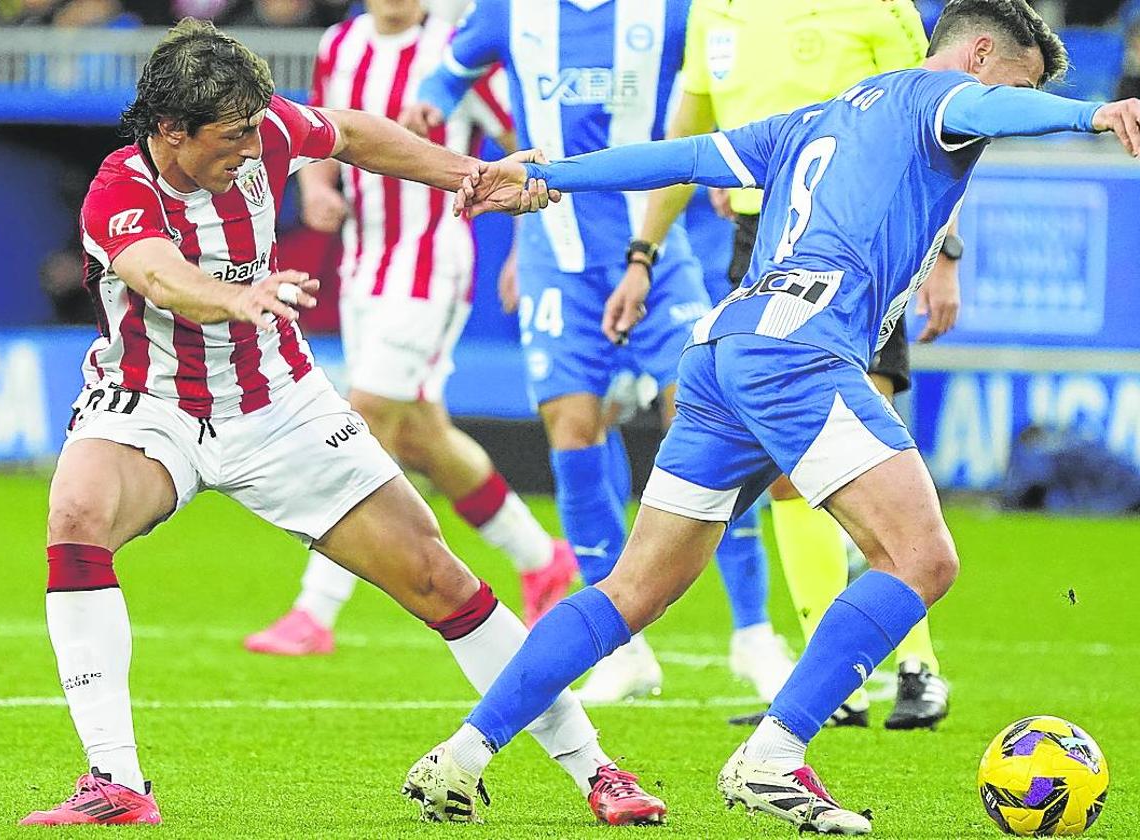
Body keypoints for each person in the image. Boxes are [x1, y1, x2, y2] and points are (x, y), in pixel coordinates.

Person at [404, 0, 1140, 830]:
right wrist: (1089, 112)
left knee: (633, 590)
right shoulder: (939, 98)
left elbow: (679, 156)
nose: (1009, 109)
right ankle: (774, 757)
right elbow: (983, 105)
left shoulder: (817, 118)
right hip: (799, 351)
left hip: (725, 347)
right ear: (978, 56)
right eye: (1021, 82)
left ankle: (462, 755)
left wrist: (547, 175)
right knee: (921, 557)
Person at [21, 18, 656, 826]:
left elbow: (352, 132)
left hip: (280, 403)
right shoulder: (120, 190)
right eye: (233, 136)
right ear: (170, 132)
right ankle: (115, 782)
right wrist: (234, 298)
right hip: (152, 406)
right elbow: (159, 275)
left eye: (258, 130)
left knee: (438, 578)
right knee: (75, 513)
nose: (254, 150)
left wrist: (471, 173)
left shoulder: (265, 129)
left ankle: (598, 770)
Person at [399, 0, 795, 704]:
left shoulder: (672, 12)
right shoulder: (509, 13)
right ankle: (624, 648)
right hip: (557, 257)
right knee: (573, 429)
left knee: (708, 421)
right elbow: (447, 76)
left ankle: (754, 633)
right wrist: (428, 108)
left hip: (657, 250)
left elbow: (718, 80)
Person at [647, 0, 958, 730]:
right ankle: (839, 678)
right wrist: (643, 252)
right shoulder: (712, 13)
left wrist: (946, 254)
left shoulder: (880, 11)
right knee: (789, 474)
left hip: (861, 245)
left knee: (864, 457)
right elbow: (689, 134)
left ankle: (918, 667)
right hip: (760, 240)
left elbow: (939, 135)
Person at [244, 0, 577, 657]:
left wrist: (525, 247)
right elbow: (322, 133)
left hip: (430, 267)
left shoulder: (458, 53)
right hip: (364, 264)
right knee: (422, 435)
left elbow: (527, 145)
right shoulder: (341, 45)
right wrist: (315, 189)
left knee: (364, 421)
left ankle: (315, 611)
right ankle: (541, 558)